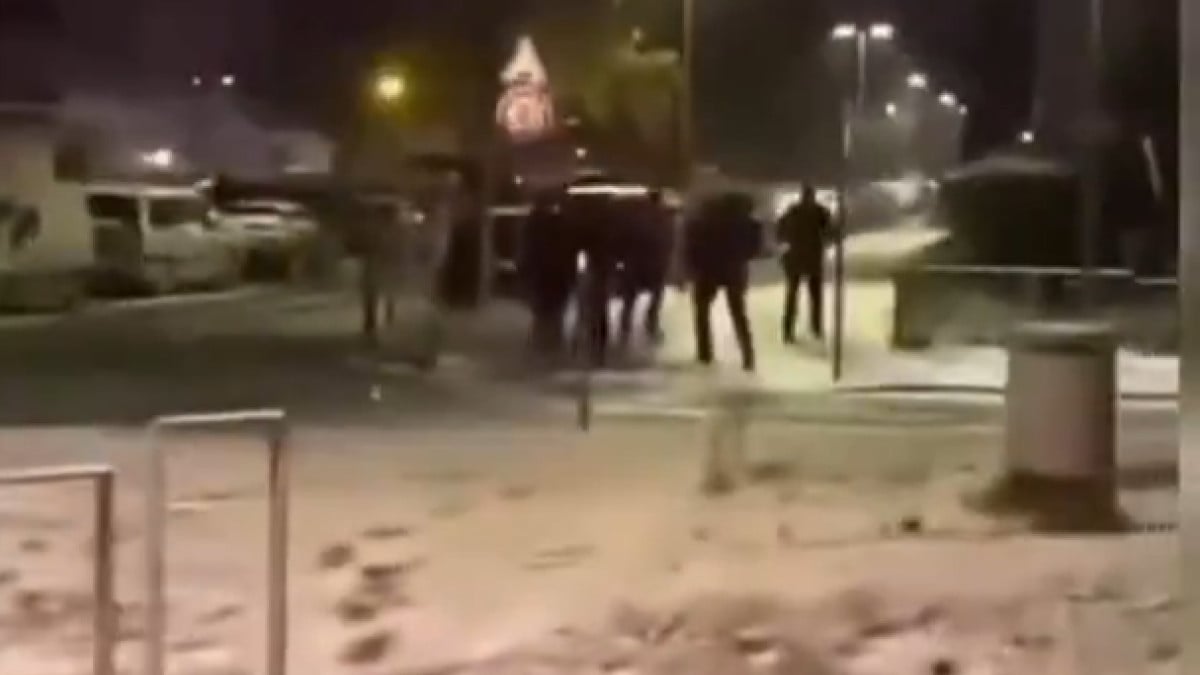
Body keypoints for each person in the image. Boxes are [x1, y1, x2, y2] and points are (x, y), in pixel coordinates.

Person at [685, 192, 761, 372]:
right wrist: (739, 257)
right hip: (733, 270)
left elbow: (691, 246)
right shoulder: (747, 223)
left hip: (707, 270)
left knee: (702, 313)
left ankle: (705, 353)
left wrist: (695, 266)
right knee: (738, 313)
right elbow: (754, 249)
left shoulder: (703, 221)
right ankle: (748, 354)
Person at [520, 189, 575, 356]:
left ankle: (541, 342)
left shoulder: (532, 223)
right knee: (555, 310)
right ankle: (552, 342)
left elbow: (527, 250)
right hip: (558, 272)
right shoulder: (562, 222)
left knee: (542, 310)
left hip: (542, 272)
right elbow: (569, 249)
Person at [617, 189, 674, 347]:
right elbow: (669, 242)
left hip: (635, 263)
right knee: (655, 296)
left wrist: (621, 259)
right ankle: (651, 324)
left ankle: (625, 327)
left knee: (630, 299)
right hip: (654, 264)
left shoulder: (634, 219)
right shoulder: (664, 218)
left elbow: (624, 240)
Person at [776, 185, 832, 343]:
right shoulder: (820, 212)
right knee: (815, 296)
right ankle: (816, 327)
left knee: (792, 295)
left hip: (795, 258)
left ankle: (788, 330)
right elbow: (831, 232)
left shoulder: (793, 211)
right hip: (813, 258)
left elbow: (780, 230)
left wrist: (788, 242)